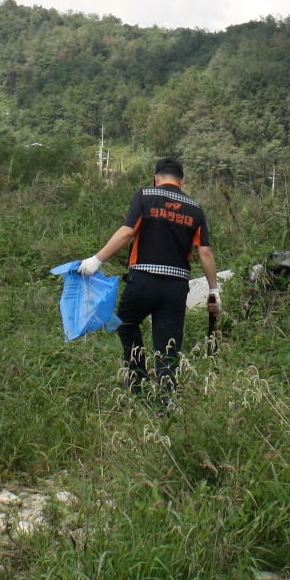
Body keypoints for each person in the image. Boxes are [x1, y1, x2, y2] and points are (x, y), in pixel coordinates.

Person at [79, 157, 220, 403]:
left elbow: (128, 232)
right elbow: (205, 252)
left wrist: (97, 260)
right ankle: (167, 403)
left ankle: (138, 382)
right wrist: (214, 289)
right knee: (168, 344)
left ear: (156, 178)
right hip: (176, 287)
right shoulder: (195, 209)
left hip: (143, 280)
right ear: (182, 181)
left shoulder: (145, 196)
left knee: (124, 323)